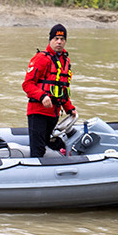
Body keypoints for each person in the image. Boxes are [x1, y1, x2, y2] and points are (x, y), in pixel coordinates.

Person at [22, 23, 76, 158]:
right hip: (38, 112)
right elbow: (27, 84)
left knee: (50, 145)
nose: (59, 42)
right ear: (50, 40)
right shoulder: (41, 58)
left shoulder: (65, 61)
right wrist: (42, 96)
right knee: (38, 151)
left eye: (62, 39)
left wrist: (69, 108)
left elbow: (63, 89)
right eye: (56, 39)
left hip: (54, 114)